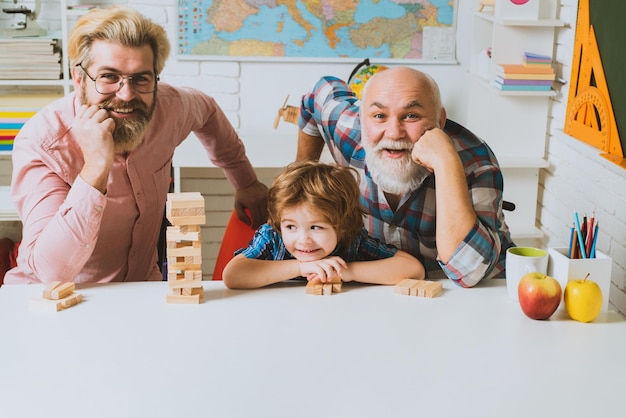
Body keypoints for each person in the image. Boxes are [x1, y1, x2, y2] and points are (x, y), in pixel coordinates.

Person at [4, 5, 268, 285]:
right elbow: (50, 273)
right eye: (108, 76)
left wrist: (245, 182)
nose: (127, 94)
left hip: (142, 286)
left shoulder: (170, 106)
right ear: (79, 78)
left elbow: (209, 111)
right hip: (62, 299)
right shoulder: (43, 142)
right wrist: (95, 169)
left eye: (141, 78)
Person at [296, 66, 514, 288]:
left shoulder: (475, 160)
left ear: (440, 120)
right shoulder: (348, 129)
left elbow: (470, 273)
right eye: (379, 116)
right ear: (361, 119)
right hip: (382, 289)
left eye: (411, 116)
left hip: (467, 293)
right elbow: (317, 94)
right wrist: (300, 181)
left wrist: (446, 164)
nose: (393, 132)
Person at [222, 161, 424, 289]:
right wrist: (302, 267)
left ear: (342, 226)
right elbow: (233, 275)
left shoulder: (351, 240)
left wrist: (347, 271)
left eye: (316, 227)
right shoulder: (273, 237)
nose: (303, 240)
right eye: (291, 227)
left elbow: (413, 269)